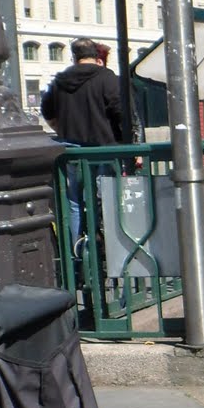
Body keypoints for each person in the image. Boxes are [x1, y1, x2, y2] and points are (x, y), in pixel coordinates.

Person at [41, 37, 126, 251]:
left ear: (73, 56)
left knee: (75, 203)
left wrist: (61, 129)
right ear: (95, 56)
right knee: (107, 200)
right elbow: (121, 112)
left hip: (73, 150)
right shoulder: (107, 77)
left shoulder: (60, 81)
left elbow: (47, 111)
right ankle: (111, 252)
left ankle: (78, 255)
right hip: (105, 148)